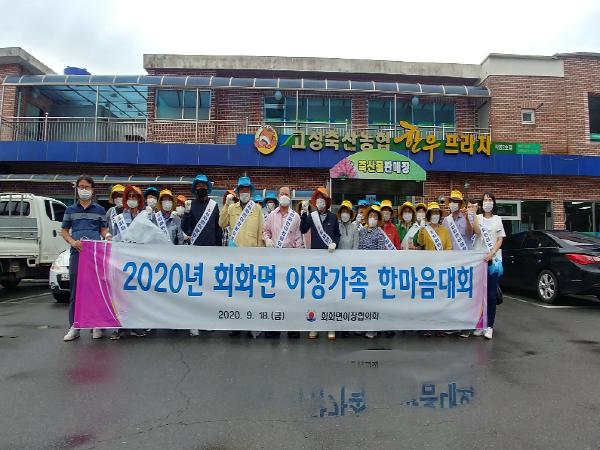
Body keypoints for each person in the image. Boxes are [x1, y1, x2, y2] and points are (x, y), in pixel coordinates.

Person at [61, 175, 111, 342]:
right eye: (81, 186)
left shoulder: (100, 210)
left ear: (92, 189)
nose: (84, 190)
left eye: (87, 187)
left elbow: (103, 229)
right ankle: (75, 326)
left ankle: (97, 325)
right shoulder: (70, 210)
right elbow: (64, 231)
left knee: (96, 289)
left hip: (95, 254)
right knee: (76, 290)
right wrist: (73, 242)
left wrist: (108, 236)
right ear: (77, 189)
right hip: (77, 253)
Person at [219, 176, 265, 337]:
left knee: (251, 292)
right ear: (238, 192)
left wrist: (260, 254)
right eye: (242, 190)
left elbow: (260, 232)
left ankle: (252, 324)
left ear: (250, 192)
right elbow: (221, 223)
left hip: (252, 256)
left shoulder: (256, 209)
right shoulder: (232, 208)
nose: (244, 192)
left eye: (247, 190)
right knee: (236, 291)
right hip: (235, 256)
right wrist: (226, 204)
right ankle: (235, 324)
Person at [181, 174, 223, 336]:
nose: (201, 188)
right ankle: (194, 321)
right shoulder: (190, 205)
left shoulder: (214, 206)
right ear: (195, 188)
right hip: (195, 252)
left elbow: (217, 228)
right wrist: (186, 214)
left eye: (204, 186)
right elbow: (186, 229)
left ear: (208, 188)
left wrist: (219, 248)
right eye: (198, 186)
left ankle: (207, 319)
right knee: (195, 288)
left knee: (209, 288)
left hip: (211, 252)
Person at [300, 187, 341, 339]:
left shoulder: (333, 217)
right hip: (316, 260)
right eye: (317, 200)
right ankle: (315, 326)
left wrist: (335, 243)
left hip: (330, 260)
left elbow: (337, 234)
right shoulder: (312, 216)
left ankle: (331, 327)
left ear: (327, 202)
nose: (320, 203)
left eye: (322, 200)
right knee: (315, 294)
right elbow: (303, 229)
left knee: (330, 293)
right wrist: (304, 215)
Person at [263, 186, 303, 339]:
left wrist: (298, 257)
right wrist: (267, 239)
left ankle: (292, 328)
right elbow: (265, 231)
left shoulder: (295, 216)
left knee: (291, 295)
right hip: (274, 259)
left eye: (286, 194)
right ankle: (273, 328)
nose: (284, 196)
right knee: (274, 293)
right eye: (282, 194)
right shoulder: (272, 215)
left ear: (290, 197)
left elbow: (298, 238)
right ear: (278, 196)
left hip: (291, 259)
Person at [112, 185, 147, 338]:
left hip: (140, 259)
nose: (132, 199)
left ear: (140, 199)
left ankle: (136, 325)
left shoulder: (146, 216)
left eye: (135, 197)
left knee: (138, 293)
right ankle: (120, 326)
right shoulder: (119, 218)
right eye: (130, 196)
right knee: (121, 294)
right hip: (123, 260)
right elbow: (114, 237)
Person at [472, 192, 505, 340]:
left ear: (493, 203)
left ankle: (489, 326)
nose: (487, 202)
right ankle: (480, 325)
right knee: (479, 295)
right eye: (485, 200)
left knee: (491, 295)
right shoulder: (478, 218)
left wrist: (492, 253)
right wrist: (473, 213)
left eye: (490, 199)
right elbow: (477, 231)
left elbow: (500, 239)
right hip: (479, 260)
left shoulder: (498, 219)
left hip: (492, 261)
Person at [442, 190, 474, 337]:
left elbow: (470, 233)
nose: (454, 204)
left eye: (456, 201)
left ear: (461, 204)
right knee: (452, 294)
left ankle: (466, 326)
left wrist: (467, 218)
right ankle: (453, 324)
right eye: (452, 201)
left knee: (465, 294)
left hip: (465, 261)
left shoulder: (467, 217)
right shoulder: (446, 220)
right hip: (450, 261)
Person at [417, 201, 452, 337]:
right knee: (428, 298)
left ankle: (440, 326)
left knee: (440, 298)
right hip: (428, 269)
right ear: (429, 215)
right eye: (433, 213)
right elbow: (420, 243)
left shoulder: (444, 230)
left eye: (437, 213)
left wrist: (443, 259)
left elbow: (449, 248)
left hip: (441, 268)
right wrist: (421, 229)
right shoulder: (425, 229)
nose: (435, 215)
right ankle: (427, 326)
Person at [358, 205, 386, 339]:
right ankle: (361, 326)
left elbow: (380, 253)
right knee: (362, 299)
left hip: (373, 271)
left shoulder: (380, 233)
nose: (372, 218)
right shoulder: (362, 231)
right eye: (371, 216)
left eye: (375, 217)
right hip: (361, 270)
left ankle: (372, 328)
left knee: (373, 300)